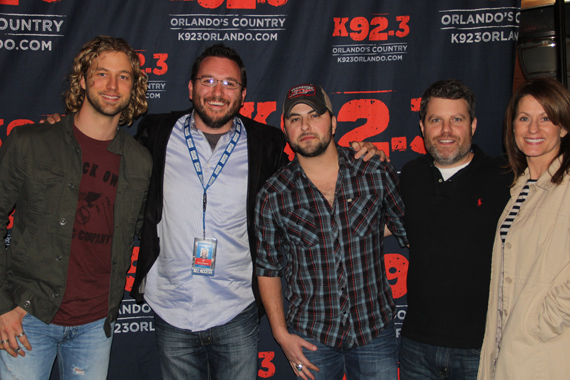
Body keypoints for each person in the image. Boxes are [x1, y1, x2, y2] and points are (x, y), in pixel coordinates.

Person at [129, 45, 378, 380]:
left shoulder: (267, 143)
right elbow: (108, 152)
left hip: (236, 308)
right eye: (208, 81)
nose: (218, 92)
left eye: (229, 84)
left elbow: (313, 181)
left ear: (243, 94)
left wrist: (362, 154)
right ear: (190, 88)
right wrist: (65, 127)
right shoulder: (155, 132)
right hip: (170, 306)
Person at [0, 35, 152, 379]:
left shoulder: (140, 161)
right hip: (28, 314)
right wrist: (2, 306)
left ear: (134, 86)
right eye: (102, 74)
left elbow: (146, 229)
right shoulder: (30, 143)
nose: (112, 85)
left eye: (123, 76)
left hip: (96, 324)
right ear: (83, 80)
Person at [255, 83, 408, 380]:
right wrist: (280, 334)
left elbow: (408, 229)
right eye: (295, 119)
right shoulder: (273, 194)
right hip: (312, 339)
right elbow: (267, 268)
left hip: (374, 331)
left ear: (334, 122)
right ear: (286, 130)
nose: (306, 125)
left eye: (314, 115)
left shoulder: (373, 171)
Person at [398, 79, 512, 380]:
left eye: (456, 120)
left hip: (480, 347)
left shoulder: (504, 177)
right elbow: (385, 224)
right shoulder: (410, 175)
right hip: (416, 345)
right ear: (422, 127)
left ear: (473, 125)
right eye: (436, 120)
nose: (446, 130)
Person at [478, 77, 570, 380]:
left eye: (545, 118)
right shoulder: (521, 188)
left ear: (564, 127)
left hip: (548, 351)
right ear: (512, 126)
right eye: (524, 118)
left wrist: (540, 322)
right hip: (510, 347)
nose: (533, 129)